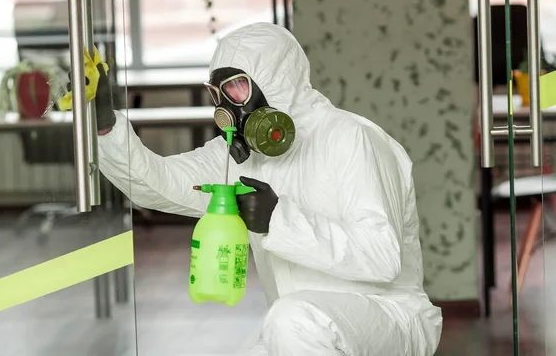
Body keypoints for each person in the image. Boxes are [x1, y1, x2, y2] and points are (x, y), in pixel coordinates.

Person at [63, 22, 442, 355]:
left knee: (291, 319)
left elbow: (383, 258)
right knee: (288, 323)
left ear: (276, 78)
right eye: (219, 94)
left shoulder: (352, 140)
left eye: (237, 87)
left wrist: (278, 220)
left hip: (386, 316)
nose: (227, 106)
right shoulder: (241, 157)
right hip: (300, 332)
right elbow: (158, 185)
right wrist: (105, 126)